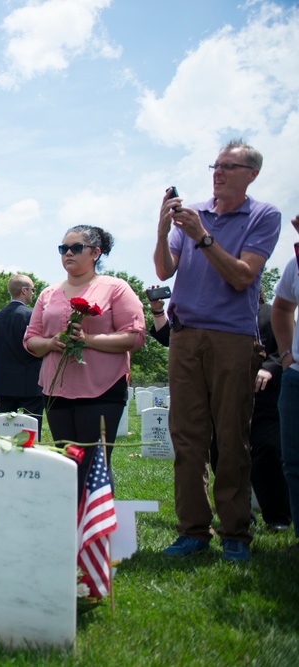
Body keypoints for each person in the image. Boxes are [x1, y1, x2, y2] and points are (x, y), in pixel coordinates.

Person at [153, 139, 281, 562]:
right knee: (186, 437)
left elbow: (243, 276)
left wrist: (202, 238)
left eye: (229, 166)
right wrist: (162, 227)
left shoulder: (264, 215)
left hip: (233, 338)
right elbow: (163, 270)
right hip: (185, 336)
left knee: (231, 437)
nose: (218, 172)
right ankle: (192, 530)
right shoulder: (194, 215)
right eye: (215, 165)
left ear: (252, 174)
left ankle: (235, 533)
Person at [148, 285, 291, 531]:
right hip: (220, 402)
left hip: (262, 403)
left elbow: (283, 350)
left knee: (267, 452)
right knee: (222, 454)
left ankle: (277, 516)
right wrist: (158, 311)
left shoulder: (268, 313)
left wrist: (269, 367)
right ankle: (241, 513)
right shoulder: (212, 319)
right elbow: (174, 340)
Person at [24, 225, 145, 486]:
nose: (68, 253)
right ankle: (70, 524)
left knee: (95, 465)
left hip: (101, 390)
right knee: (66, 464)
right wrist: (51, 343)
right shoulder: (48, 293)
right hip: (56, 390)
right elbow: (31, 339)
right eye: (63, 249)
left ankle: (97, 527)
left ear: (96, 253)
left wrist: (87, 340)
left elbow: (135, 336)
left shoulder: (116, 288)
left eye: (76, 248)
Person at [0, 274, 45, 437]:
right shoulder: (32, 316)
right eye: (33, 290)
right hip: (30, 384)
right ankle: (29, 462)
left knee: (2, 434)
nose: (34, 293)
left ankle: (2, 462)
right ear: (24, 291)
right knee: (31, 434)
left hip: (3, 384)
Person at [272, 214, 299, 548]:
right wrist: (287, 356)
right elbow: (281, 309)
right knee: (294, 463)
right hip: (296, 376)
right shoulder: (295, 262)